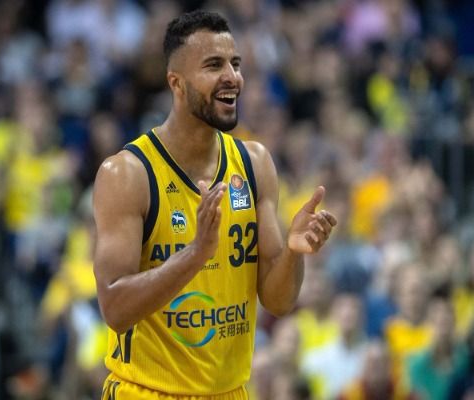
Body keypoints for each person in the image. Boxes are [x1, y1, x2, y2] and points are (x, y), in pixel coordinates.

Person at [92, 10, 337, 399]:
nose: (232, 77)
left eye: (235, 64)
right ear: (176, 82)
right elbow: (115, 310)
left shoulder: (255, 163)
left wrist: (293, 253)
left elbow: (278, 301)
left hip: (230, 391)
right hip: (146, 390)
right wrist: (195, 254)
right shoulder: (128, 174)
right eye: (214, 65)